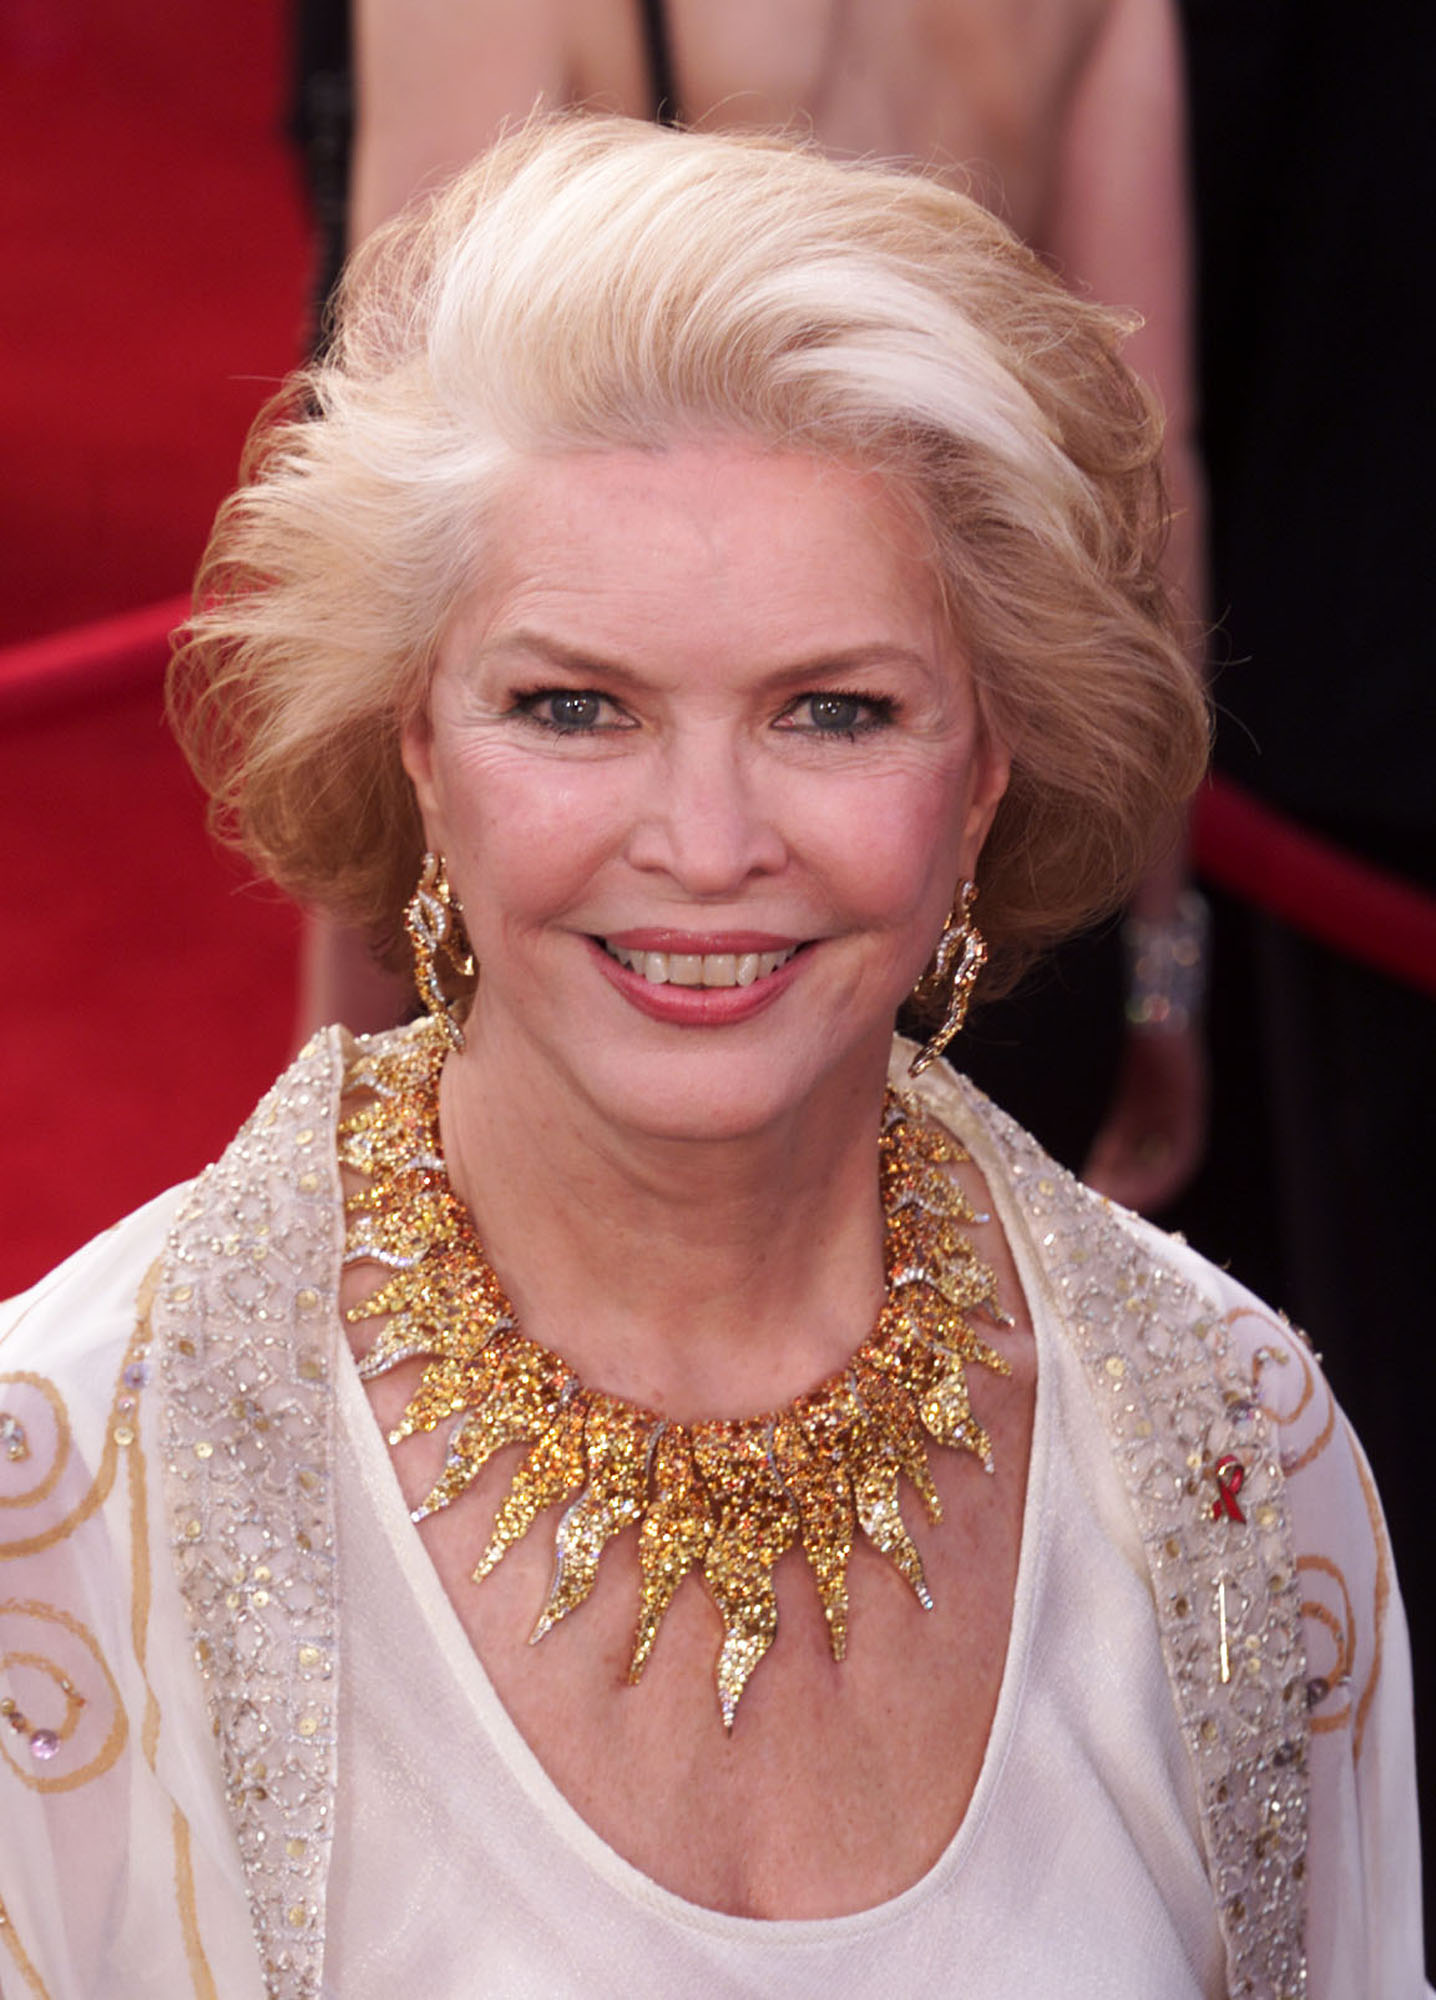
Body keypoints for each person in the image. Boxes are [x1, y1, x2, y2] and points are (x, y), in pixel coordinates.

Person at [0, 119, 1424, 1995]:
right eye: (571, 707)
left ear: (986, 769)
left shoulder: (1236, 1453)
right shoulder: (65, 1482)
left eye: (833, 711)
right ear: (416, 742)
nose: (706, 838)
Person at [296, 0, 1209, 1219]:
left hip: (614, 943)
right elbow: (1144, 480)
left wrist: (321, 1105)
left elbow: (391, 529)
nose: (710, 842)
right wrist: (1159, 973)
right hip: (950, 894)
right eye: (568, 704)